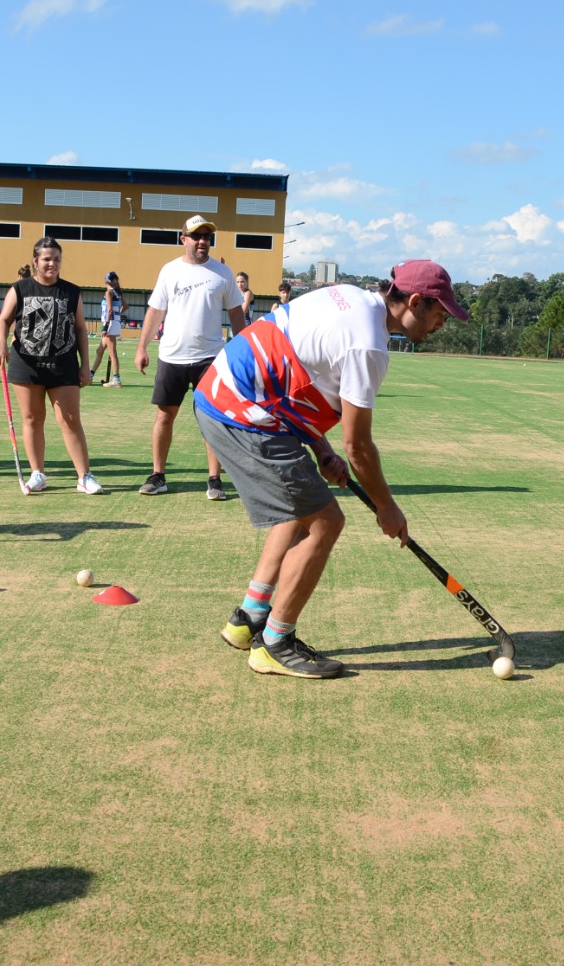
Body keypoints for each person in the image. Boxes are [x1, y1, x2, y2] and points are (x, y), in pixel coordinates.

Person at [196, 260, 467, 677]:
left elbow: (295, 375)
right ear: (414, 302)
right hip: (243, 413)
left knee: (300, 508)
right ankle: (275, 642)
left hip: (232, 398)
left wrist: (320, 452)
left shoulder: (349, 297)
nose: (440, 325)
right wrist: (387, 508)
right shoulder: (368, 345)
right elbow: (358, 448)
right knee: (325, 522)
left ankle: (249, 618)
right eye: (439, 314)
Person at [134, 214, 248, 500]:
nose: (202, 242)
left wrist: (245, 347)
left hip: (209, 357)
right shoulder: (169, 271)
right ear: (182, 238)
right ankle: (158, 475)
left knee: (214, 419)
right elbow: (155, 310)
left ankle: (214, 480)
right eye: (196, 236)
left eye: (207, 237)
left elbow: (235, 311)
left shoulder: (222, 273)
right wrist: (141, 347)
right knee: (164, 416)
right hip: (172, 356)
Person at [0, 237, 101, 495]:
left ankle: (84, 476)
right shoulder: (20, 288)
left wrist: (85, 365)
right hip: (26, 364)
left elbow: (81, 330)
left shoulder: (72, 291)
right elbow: (4, 320)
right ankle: (38, 473)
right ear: (36, 261)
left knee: (70, 419)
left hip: (63, 365)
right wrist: (0, 342)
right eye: (47, 259)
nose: (52, 264)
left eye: (57, 259)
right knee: (32, 418)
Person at [88, 271, 123, 387]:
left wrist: (106, 326)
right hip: (114, 323)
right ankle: (90, 375)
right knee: (99, 350)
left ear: (106, 281)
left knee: (112, 353)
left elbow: (110, 310)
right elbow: (125, 307)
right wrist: (117, 317)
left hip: (110, 325)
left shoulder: (109, 293)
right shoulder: (117, 293)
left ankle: (116, 380)